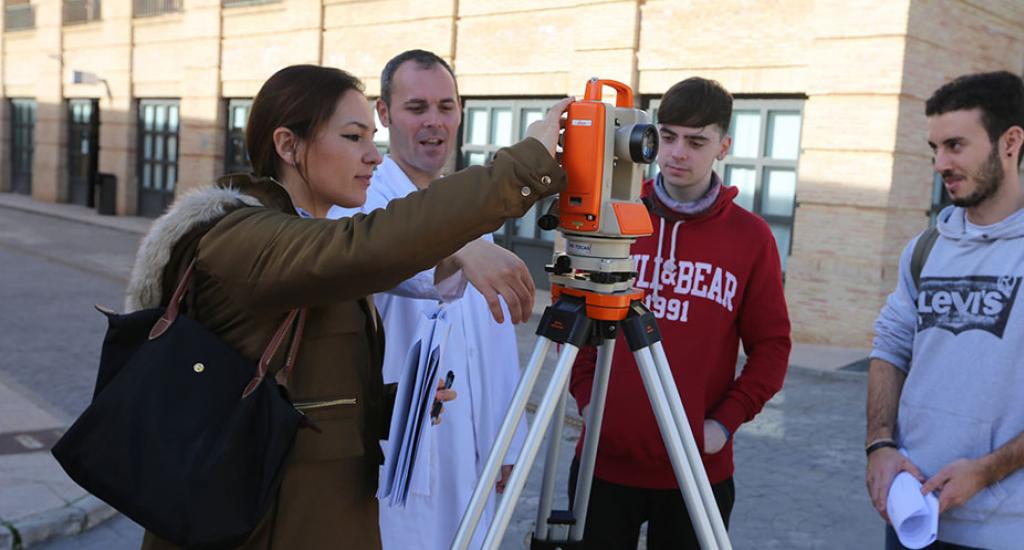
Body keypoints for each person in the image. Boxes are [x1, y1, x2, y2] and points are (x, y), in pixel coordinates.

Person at [126, 64, 570, 550]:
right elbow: (371, 244)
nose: (373, 157)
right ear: (288, 145)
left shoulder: (307, 243)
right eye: (354, 137)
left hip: (313, 513)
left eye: (372, 139)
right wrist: (524, 166)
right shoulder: (241, 237)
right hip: (255, 524)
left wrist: (392, 406)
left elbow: (304, 384)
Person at [865, 71, 1024, 550]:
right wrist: (879, 446)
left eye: (955, 145)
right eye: (933, 148)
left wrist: (987, 470)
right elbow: (889, 346)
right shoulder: (927, 247)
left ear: (1010, 141)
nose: (939, 163)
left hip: (1015, 529)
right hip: (912, 514)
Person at [567, 77, 792, 548]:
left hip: (697, 469)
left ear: (723, 146)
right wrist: (589, 400)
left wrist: (724, 422)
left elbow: (772, 346)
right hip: (603, 465)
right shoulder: (613, 216)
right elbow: (575, 314)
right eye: (667, 136)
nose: (677, 153)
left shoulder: (751, 238)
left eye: (696, 141)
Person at [328, 49, 532, 549]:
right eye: (416, 108)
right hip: (392, 452)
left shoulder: (473, 217)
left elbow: (499, 344)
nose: (434, 123)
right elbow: (391, 256)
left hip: (470, 452)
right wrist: (456, 246)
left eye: (446, 106)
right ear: (383, 114)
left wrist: (508, 446)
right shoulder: (358, 207)